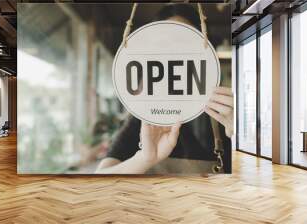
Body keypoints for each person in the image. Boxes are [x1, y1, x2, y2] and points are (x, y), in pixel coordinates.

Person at [96, 4, 233, 174]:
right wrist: (145, 158)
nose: (176, 51)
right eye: (165, 43)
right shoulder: (144, 114)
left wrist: (241, 136)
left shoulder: (222, 111)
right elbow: (101, 176)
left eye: (185, 41)